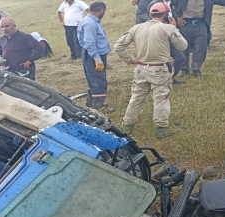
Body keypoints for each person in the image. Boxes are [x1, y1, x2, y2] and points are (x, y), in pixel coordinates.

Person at [115, 3, 188, 139]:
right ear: (166, 14)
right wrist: (174, 29)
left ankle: (127, 126)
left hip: (141, 69)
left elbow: (118, 46)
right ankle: (161, 128)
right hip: (160, 69)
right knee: (161, 98)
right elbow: (183, 46)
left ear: (150, 14)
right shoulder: (168, 28)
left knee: (136, 98)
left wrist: (130, 60)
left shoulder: (137, 28)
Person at [171, 0, 225, 76]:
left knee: (201, 47)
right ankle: (184, 69)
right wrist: (176, 16)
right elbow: (166, 3)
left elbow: (224, 1)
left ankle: (195, 69)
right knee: (184, 46)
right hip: (184, 24)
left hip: (201, 23)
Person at [77, 2, 112, 110]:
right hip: (94, 56)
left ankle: (91, 102)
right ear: (101, 10)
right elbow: (89, 42)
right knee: (98, 81)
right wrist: (96, 58)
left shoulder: (90, 21)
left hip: (93, 54)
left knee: (93, 79)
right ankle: (98, 105)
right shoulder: (90, 23)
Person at [146, 0, 187, 84]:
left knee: (180, 58)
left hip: (170, 36)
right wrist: (170, 26)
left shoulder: (170, 3)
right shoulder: (155, 4)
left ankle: (169, 78)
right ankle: (162, 80)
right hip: (160, 37)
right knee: (163, 60)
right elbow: (153, 22)